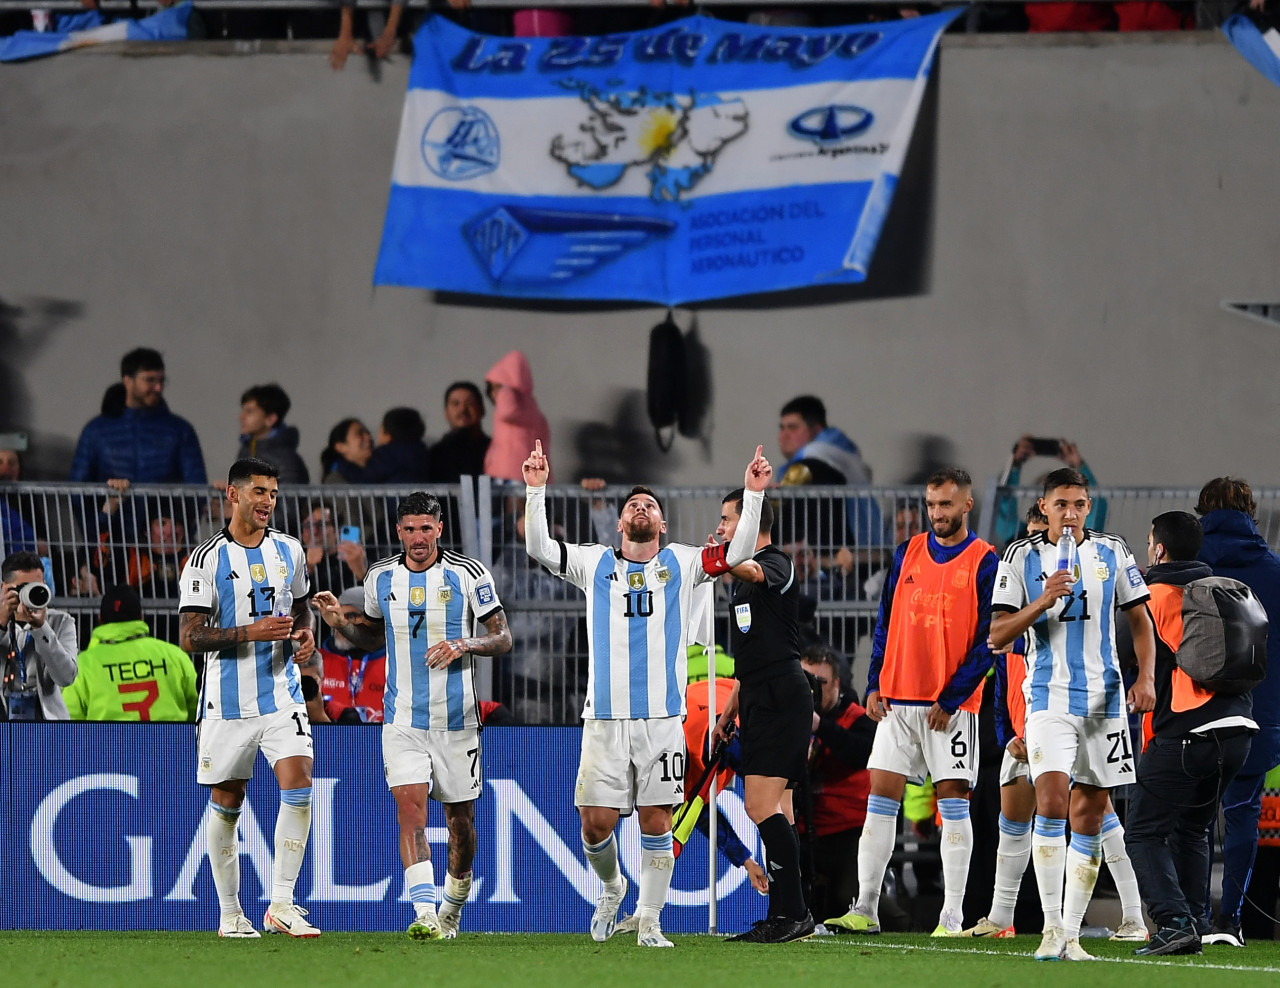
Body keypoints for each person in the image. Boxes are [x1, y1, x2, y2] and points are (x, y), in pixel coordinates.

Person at [522, 440, 766, 947]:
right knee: (595, 823)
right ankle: (612, 887)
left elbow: (739, 551)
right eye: (633, 503)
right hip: (604, 718)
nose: (641, 507)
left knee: (658, 821)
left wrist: (753, 494)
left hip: (662, 719)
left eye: (650, 505)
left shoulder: (683, 563)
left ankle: (650, 920)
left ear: (662, 525)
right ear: (618, 523)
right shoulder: (593, 564)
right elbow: (539, 549)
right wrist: (536, 488)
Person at [312, 490, 512, 940]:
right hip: (401, 720)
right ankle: (424, 914)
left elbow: (502, 638)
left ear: (439, 528)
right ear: (398, 532)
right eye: (410, 529)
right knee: (410, 809)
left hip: (457, 721)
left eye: (426, 528)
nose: (418, 537)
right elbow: (370, 638)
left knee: (460, 824)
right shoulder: (380, 577)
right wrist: (339, 623)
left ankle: (452, 908)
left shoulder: (467, 574)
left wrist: (463, 644)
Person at [990, 467, 1156, 962]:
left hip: (1105, 702)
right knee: (1052, 800)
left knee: (1089, 815)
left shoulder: (1113, 551)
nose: (1070, 513)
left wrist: (1145, 678)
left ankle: (1075, 936)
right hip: (1048, 699)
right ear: (1044, 507)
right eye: (1060, 504)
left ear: (1088, 506)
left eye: (1079, 504)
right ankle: (1052, 928)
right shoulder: (1021, 555)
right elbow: (997, 635)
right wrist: (1043, 599)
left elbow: (1140, 622)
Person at [826, 468, 997, 938]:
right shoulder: (908, 552)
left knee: (953, 806)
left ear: (967, 504)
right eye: (931, 505)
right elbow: (886, 619)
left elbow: (990, 640)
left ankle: (952, 918)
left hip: (951, 710)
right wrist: (875, 679)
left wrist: (953, 696)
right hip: (897, 702)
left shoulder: (985, 561)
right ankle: (865, 908)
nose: (937, 514)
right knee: (879, 800)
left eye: (946, 504)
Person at [177, 457, 318, 939]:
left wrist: (303, 636)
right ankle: (231, 914)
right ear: (233, 494)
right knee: (228, 800)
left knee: (299, 782)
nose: (268, 502)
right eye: (259, 492)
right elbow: (189, 638)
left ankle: (281, 903)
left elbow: (300, 610)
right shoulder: (205, 559)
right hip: (226, 700)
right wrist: (250, 632)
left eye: (273, 494)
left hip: (282, 692)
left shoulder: (290, 551)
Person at [1125, 511, 1258, 957]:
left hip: (1187, 732)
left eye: (1149, 541)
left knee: (1143, 831)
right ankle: (1197, 921)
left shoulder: (1153, 596)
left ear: (1159, 549)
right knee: (1192, 829)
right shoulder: (1222, 591)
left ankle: (1173, 920)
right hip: (1239, 728)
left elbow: (1132, 660)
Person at [710, 485, 816, 943]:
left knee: (758, 805)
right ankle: (787, 914)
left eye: (728, 520)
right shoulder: (740, 584)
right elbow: (749, 657)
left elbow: (748, 565)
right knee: (781, 811)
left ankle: (792, 914)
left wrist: (709, 557)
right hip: (758, 694)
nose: (720, 528)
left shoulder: (775, 563)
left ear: (752, 524)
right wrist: (730, 710)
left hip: (781, 696)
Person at [1195, 476, 1280, 947]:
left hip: (1196, 710)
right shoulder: (1275, 569)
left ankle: (1190, 917)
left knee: (1195, 818)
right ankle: (1230, 921)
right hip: (1259, 710)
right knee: (1244, 813)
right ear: (1251, 513)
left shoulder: (1190, 567)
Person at [798, 643, 875, 925]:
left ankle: (896, 916)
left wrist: (820, 726)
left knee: (847, 902)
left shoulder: (857, 717)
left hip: (847, 831)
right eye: (805, 681)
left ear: (837, 684)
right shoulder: (790, 721)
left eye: (820, 682)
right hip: (805, 830)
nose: (813, 689)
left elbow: (860, 754)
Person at [70, 347, 207, 485]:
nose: (158, 388)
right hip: (112, 507)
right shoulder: (95, 431)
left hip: (164, 508)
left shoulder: (180, 431)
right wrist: (108, 503)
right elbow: (78, 490)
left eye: (161, 381)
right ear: (128, 381)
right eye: (150, 380)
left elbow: (196, 487)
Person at [64, 584, 198, 721]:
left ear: (100, 619)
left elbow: (68, 720)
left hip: (110, 742)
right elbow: (198, 706)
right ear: (141, 616)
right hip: (171, 741)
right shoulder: (175, 656)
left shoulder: (83, 665)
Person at [0, 549, 78, 720]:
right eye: (22, 589)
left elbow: (66, 678)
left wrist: (41, 628)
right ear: (4, 588)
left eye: (36, 587)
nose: (29, 594)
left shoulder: (61, 622)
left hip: (45, 724)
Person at [994, 436, 1107, 547]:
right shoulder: (1021, 535)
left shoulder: (1076, 534)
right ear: (1040, 502)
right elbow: (1002, 510)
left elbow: (1097, 507)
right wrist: (1014, 465)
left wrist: (1078, 465)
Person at [316, 586, 387, 725]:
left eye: (351, 616)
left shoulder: (394, 663)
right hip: (329, 741)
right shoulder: (317, 660)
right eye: (337, 614)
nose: (340, 622)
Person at [485, 351, 550, 483]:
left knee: (511, 503)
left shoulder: (512, 401)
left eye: (497, 386)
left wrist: (505, 389)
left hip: (510, 472)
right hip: (521, 472)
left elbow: (507, 412)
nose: (493, 393)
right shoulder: (531, 407)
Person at [238, 384, 309, 485]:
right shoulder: (246, 449)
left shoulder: (285, 458)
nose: (241, 417)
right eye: (243, 411)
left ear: (270, 419)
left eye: (249, 412)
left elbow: (289, 497)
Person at [428, 382, 490, 484]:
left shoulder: (495, 451)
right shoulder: (435, 455)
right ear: (446, 412)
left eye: (469, 403)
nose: (462, 409)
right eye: (455, 404)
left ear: (481, 409)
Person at [364, 407, 431, 484]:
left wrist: (349, 464)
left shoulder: (384, 455)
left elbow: (364, 480)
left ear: (388, 433)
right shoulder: (423, 453)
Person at [321, 418, 374, 484]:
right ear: (341, 447)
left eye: (368, 433)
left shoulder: (381, 472)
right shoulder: (335, 481)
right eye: (359, 433)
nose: (368, 437)